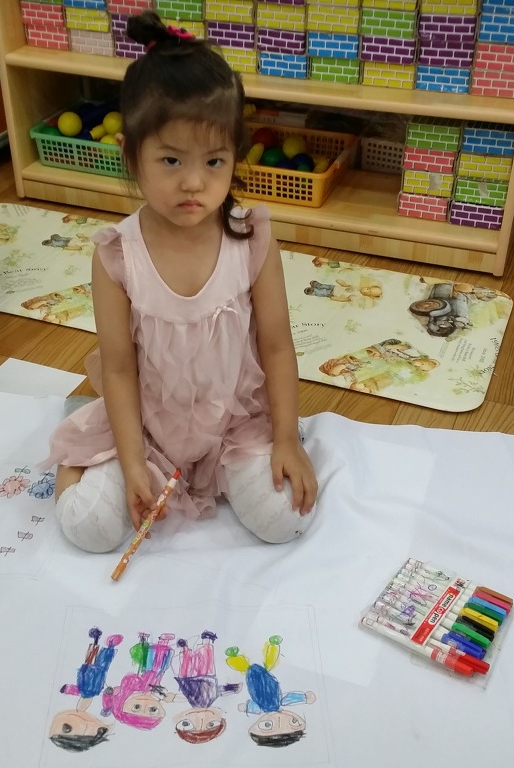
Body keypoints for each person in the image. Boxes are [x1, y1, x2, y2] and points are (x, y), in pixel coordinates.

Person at [45, 11, 318, 553]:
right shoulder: (117, 254)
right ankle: (77, 455)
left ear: (235, 155)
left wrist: (287, 439)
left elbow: (277, 347)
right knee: (89, 529)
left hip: (233, 424)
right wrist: (130, 463)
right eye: (170, 160)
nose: (194, 182)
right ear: (130, 154)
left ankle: (234, 462)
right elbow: (119, 368)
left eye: (214, 161)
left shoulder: (252, 239)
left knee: (287, 518)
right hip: (147, 425)